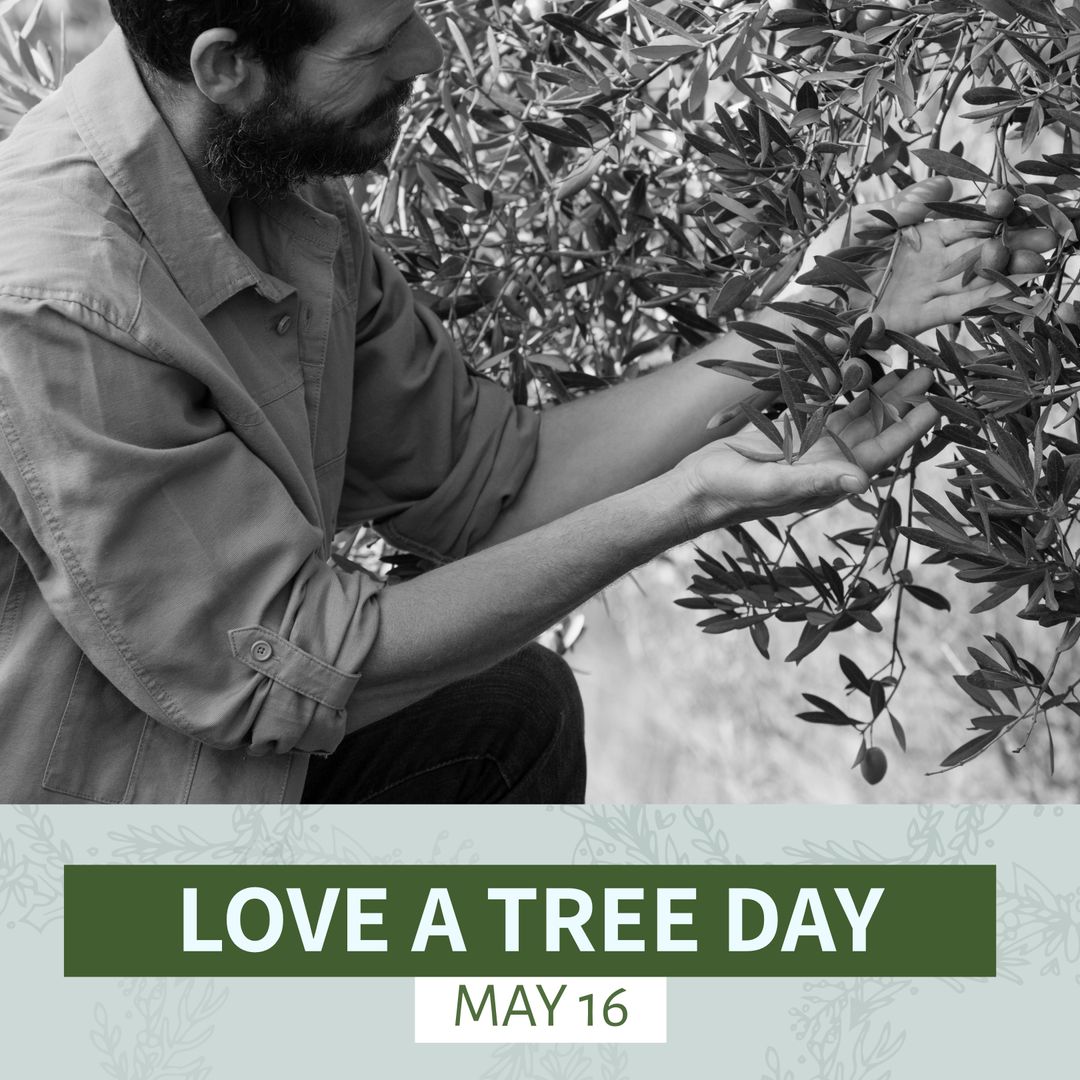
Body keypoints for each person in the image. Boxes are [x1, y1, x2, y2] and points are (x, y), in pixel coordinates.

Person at [0, 0, 1052, 804]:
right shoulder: (58, 299)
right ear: (226, 68)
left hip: (220, 768)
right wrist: (686, 501)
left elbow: (492, 485)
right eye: (379, 44)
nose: (427, 56)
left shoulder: (277, 192)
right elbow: (290, 667)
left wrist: (824, 312)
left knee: (510, 714)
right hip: (85, 843)